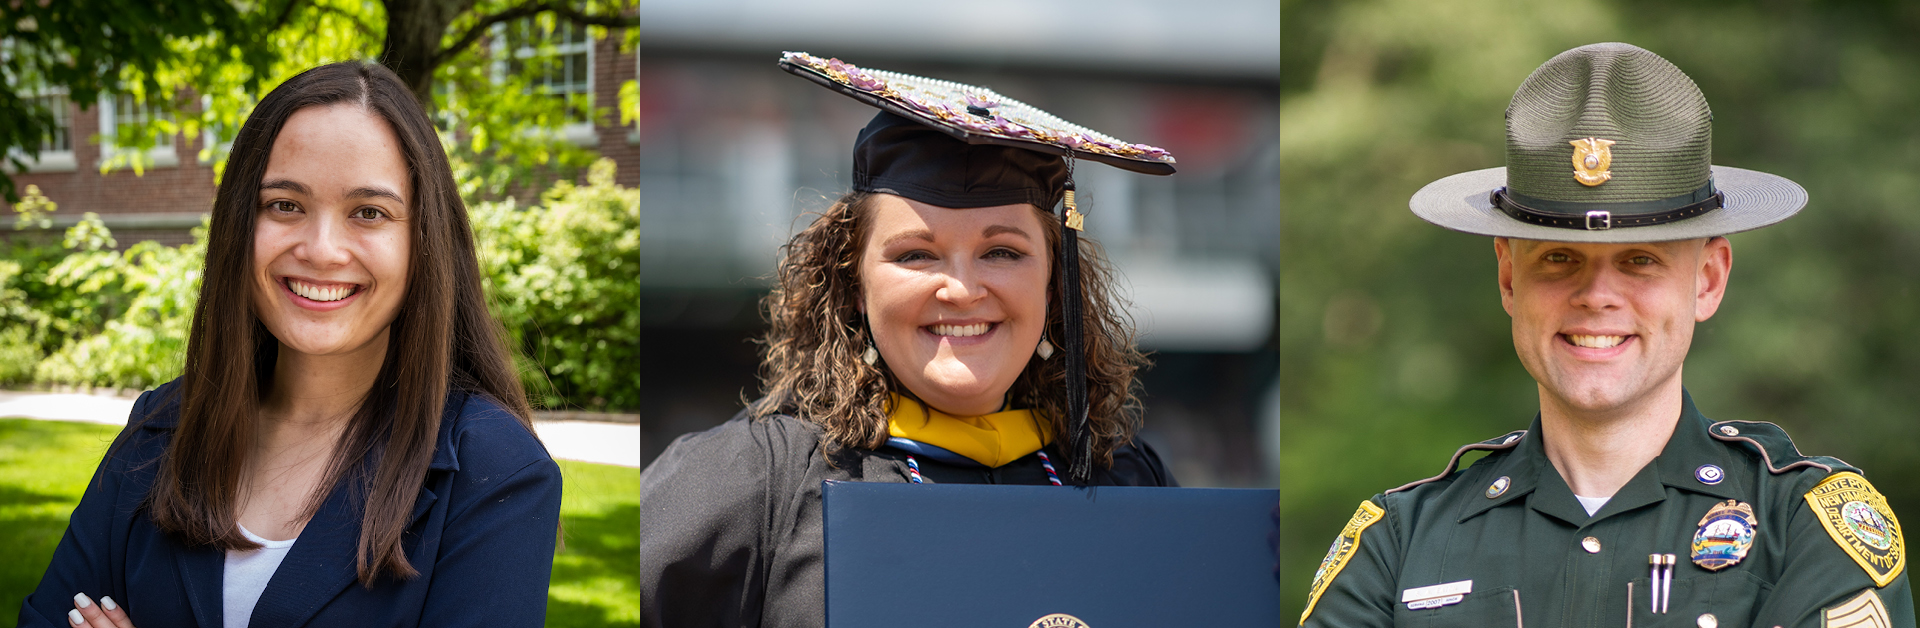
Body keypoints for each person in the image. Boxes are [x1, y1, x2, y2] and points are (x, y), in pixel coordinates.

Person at [1299, 43, 1912, 627]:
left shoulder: (1806, 526)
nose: (1596, 295)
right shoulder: (1397, 544)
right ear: (1509, 279)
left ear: (1707, 279)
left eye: (1640, 260)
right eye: (1559, 258)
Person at [640, 52, 1179, 627]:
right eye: (915, 254)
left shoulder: (1127, 482)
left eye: (1003, 252)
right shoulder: (749, 485)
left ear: (1053, 287)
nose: (962, 289)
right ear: (854, 286)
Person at [17, 61, 563, 628]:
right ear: (239, 224)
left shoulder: (496, 473)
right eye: (285, 205)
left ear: (423, 240)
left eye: (369, 213)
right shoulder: (159, 429)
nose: (322, 249)